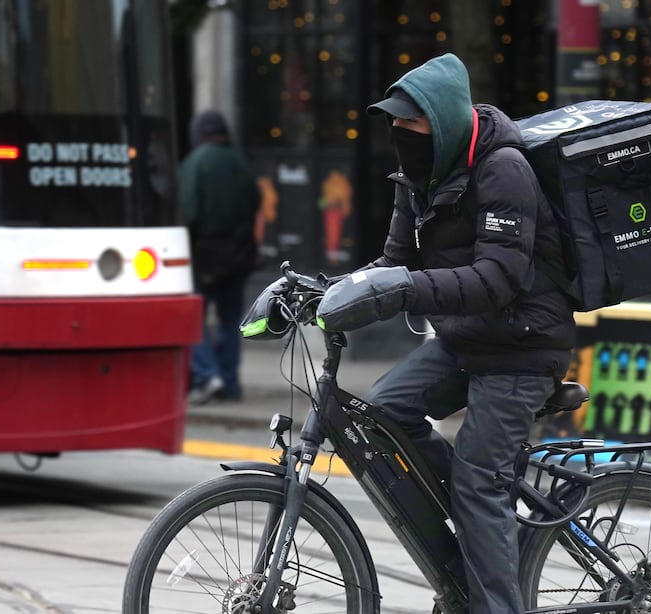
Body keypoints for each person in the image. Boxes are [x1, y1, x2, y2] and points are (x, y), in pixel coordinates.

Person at [315, 53, 576, 613]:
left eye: (412, 123)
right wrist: (321, 291)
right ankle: (484, 541)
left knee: (479, 484)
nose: (399, 134)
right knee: (383, 413)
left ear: (446, 121)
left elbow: (500, 279)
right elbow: (391, 261)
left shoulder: (503, 168)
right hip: (467, 340)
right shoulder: (416, 178)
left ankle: (490, 569)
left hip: (524, 344)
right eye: (394, 123)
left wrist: (407, 288)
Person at [181, 110, 261, 405]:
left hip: (204, 254)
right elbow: (255, 201)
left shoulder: (195, 163)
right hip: (238, 254)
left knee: (193, 318)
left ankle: (206, 374)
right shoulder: (240, 161)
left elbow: (188, 211)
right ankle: (229, 383)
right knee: (231, 320)